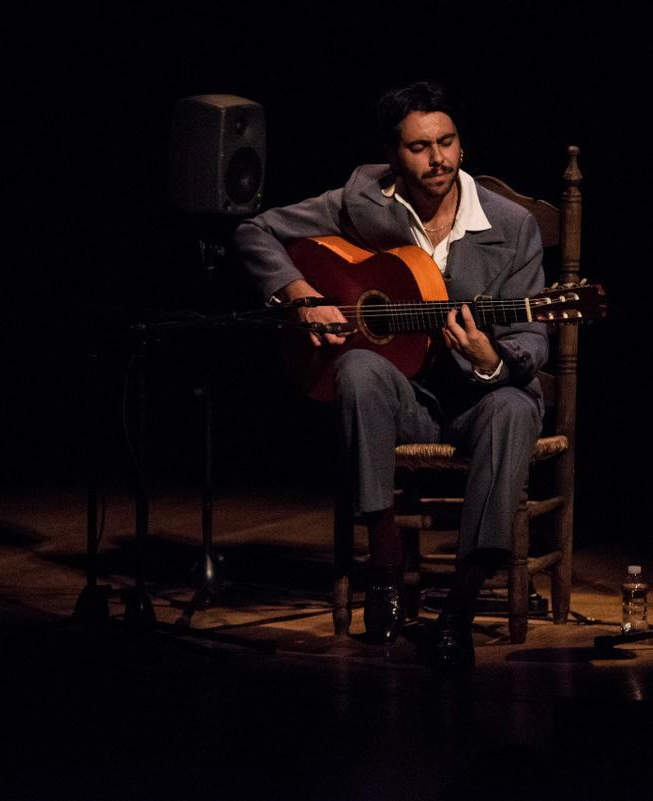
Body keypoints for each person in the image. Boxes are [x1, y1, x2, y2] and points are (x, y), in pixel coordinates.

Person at [234, 81, 547, 671]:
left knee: (514, 407)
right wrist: (301, 294)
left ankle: (459, 606)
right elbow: (255, 231)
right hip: (409, 395)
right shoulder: (362, 199)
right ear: (394, 155)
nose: (439, 159)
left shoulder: (512, 226)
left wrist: (490, 360)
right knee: (355, 367)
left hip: (481, 397)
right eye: (420, 147)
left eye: (448, 142)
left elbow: (534, 337)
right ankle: (383, 564)